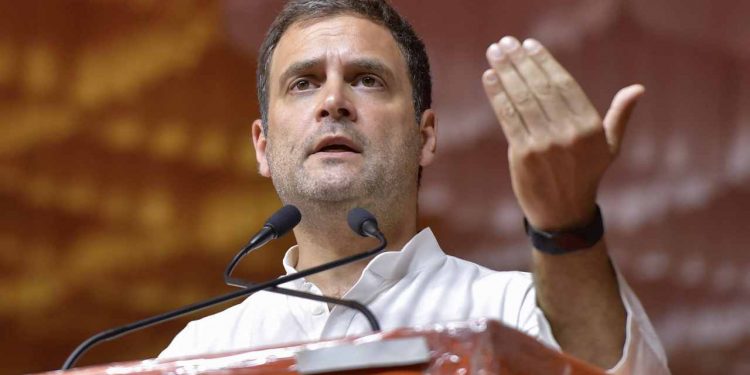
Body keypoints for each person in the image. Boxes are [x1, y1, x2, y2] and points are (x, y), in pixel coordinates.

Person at [160, 0, 669, 373]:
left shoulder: (513, 310)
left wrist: (566, 226)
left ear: (425, 137)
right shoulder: (199, 352)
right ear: (263, 147)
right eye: (304, 83)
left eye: (367, 79)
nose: (333, 101)